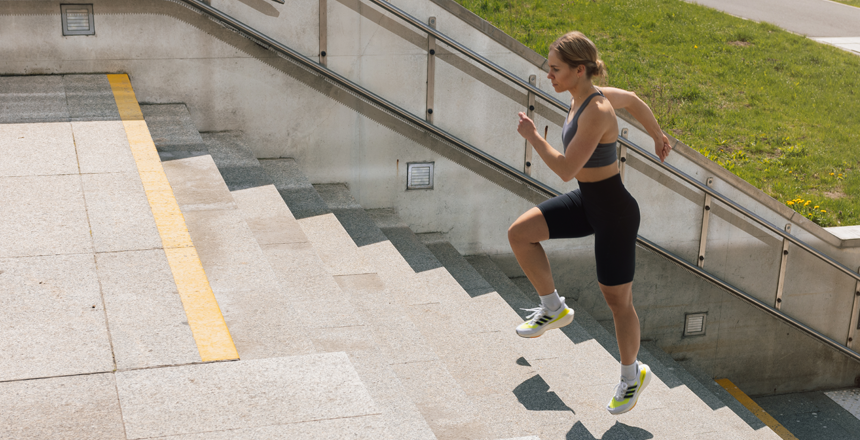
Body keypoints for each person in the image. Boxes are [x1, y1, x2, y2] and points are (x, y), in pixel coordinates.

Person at [510, 31, 672, 415]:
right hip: (588, 201)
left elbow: (567, 169)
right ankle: (553, 307)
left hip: (614, 211)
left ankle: (633, 376)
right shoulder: (581, 96)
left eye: (555, 69)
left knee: (617, 301)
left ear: (578, 69)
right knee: (520, 234)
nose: (549, 75)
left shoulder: (597, 110)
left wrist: (533, 136)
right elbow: (632, 99)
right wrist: (657, 134)